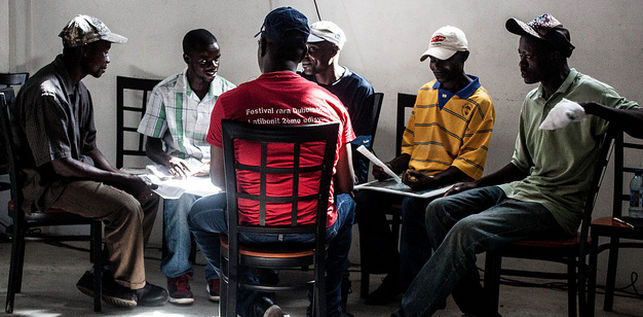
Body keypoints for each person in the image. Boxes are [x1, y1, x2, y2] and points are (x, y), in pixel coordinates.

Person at [393, 13, 643, 317]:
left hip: (555, 207)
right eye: (520, 55)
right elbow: (521, 164)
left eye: (529, 56)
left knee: (465, 230)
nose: (521, 63)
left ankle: (407, 314)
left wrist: (592, 109)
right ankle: (481, 311)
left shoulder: (591, 93)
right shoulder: (533, 100)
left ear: (554, 55)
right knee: (438, 209)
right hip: (521, 191)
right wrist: (475, 184)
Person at [187, 7, 356, 317]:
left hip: (249, 227)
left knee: (197, 214)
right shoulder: (333, 104)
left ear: (263, 46)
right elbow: (347, 184)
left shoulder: (230, 102)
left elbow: (219, 181)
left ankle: (255, 303)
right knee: (348, 202)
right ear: (304, 51)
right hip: (312, 230)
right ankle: (327, 309)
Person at [11, 15, 167, 307]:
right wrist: (121, 181)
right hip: (48, 185)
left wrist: (122, 176)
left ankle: (109, 273)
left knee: (147, 197)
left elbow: (90, 147)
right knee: (127, 206)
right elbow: (58, 165)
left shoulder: (78, 89)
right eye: (104, 51)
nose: (108, 59)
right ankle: (124, 284)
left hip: (70, 176)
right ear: (84, 50)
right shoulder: (48, 92)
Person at [356, 25, 495, 304]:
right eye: (432, 59)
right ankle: (396, 272)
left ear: (462, 56)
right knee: (364, 196)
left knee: (414, 206)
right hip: (414, 180)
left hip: (450, 184)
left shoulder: (481, 103)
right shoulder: (426, 92)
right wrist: (390, 166)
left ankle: (413, 288)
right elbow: (410, 145)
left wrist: (430, 183)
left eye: (443, 59)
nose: (436, 66)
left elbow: (469, 164)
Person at [136, 29, 236, 305]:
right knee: (178, 199)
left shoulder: (229, 94)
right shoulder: (165, 92)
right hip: (179, 170)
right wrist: (170, 160)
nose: (212, 65)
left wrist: (212, 164)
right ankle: (178, 273)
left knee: (222, 199)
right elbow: (151, 145)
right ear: (187, 58)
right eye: (204, 59)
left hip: (214, 168)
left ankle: (219, 273)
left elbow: (235, 144)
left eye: (216, 59)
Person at [300, 20, 376, 184]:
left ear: (334, 50)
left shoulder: (359, 89)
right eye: (304, 49)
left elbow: (359, 146)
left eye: (312, 50)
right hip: (305, 168)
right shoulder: (300, 81)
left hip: (342, 173)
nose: (304, 57)